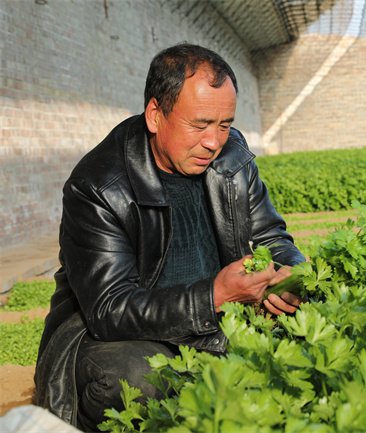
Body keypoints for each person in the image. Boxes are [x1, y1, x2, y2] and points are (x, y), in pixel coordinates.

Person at [34, 43, 305, 431]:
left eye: (224, 124)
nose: (214, 142)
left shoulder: (232, 157)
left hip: (214, 320)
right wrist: (215, 296)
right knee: (136, 378)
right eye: (200, 124)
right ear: (155, 115)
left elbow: (271, 236)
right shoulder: (99, 186)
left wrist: (289, 275)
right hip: (122, 335)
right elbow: (111, 309)